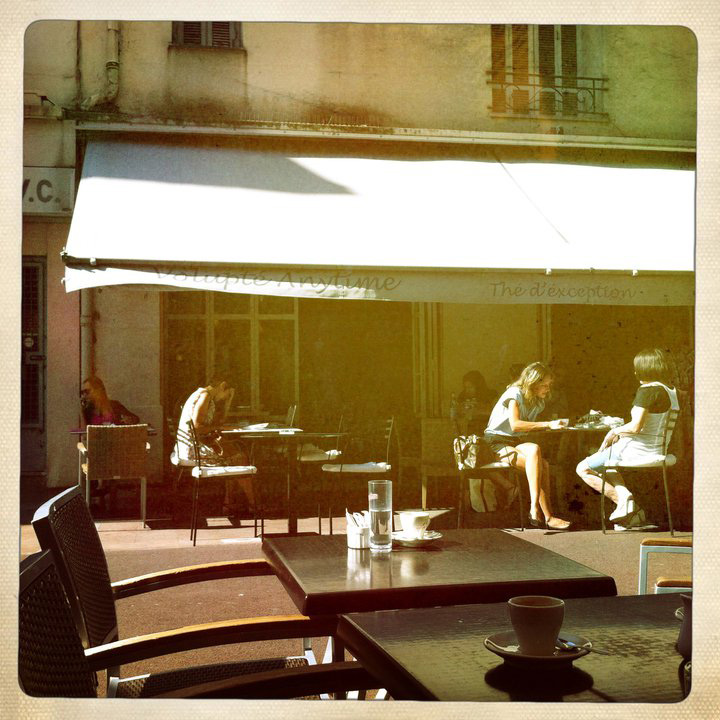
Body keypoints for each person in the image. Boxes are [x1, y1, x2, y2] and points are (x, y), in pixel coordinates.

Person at [575, 348, 680, 530]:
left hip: (636, 450)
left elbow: (635, 426)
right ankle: (632, 513)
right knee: (607, 463)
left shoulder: (647, 390)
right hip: (656, 449)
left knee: (583, 468)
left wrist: (614, 432)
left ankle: (624, 502)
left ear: (644, 369)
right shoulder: (671, 391)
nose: (635, 372)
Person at [484, 361, 572, 531]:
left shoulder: (538, 402)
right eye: (544, 385)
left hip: (515, 441)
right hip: (496, 442)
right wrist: (548, 424)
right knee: (542, 466)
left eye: (549, 385)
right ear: (533, 382)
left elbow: (525, 430)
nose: (548, 389)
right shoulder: (514, 393)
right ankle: (546, 515)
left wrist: (552, 425)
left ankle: (535, 508)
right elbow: (516, 425)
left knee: (535, 449)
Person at [175, 378, 250, 514]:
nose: (226, 398)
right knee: (239, 459)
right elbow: (197, 427)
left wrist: (228, 404)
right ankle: (255, 505)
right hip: (193, 452)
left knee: (233, 453)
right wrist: (220, 428)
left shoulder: (203, 395)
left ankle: (229, 504)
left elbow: (215, 423)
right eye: (228, 394)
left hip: (190, 447)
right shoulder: (205, 396)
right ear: (223, 385)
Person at [456, 370, 496, 435]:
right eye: (465, 387)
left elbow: (494, 414)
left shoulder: (490, 396)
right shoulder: (463, 396)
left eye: (470, 387)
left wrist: (478, 409)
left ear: (478, 386)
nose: (467, 390)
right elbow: (457, 412)